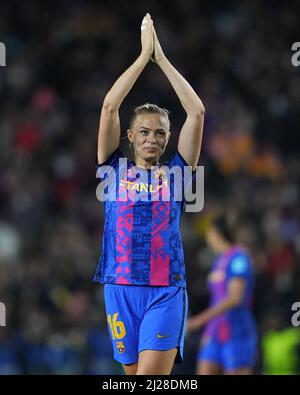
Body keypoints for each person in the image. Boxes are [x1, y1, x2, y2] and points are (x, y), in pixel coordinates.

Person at [94, 13, 205, 375]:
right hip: (119, 286)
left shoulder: (177, 172)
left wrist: (161, 59)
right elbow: (110, 105)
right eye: (143, 132)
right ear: (130, 136)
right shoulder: (112, 169)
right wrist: (142, 57)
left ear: (168, 139)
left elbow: (197, 111)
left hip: (165, 289)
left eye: (159, 133)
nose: (151, 138)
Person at [186, 216, 258, 375]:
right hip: (214, 331)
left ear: (217, 233)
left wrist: (199, 320)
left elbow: (235, 298)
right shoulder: (219, 260)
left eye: (209, 232)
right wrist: (208, 328)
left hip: (236, 330)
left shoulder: (239, 258)